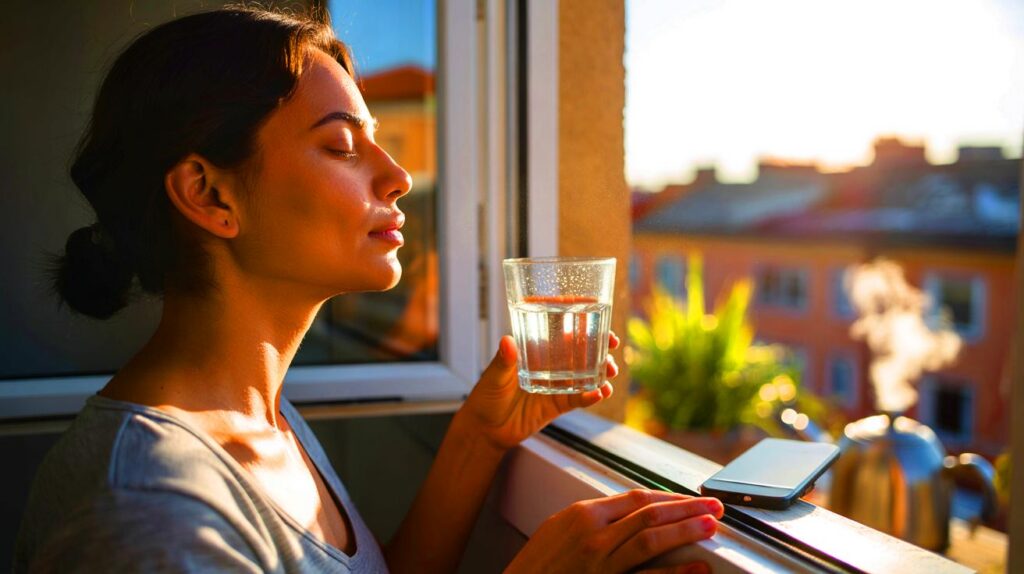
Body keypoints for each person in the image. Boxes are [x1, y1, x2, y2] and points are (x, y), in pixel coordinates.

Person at [14, 7, 723, 573]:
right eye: (343, 147)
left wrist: (478, 437)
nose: (398, 176)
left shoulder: (265, 420)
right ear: (209, 193)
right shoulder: (151, 513)